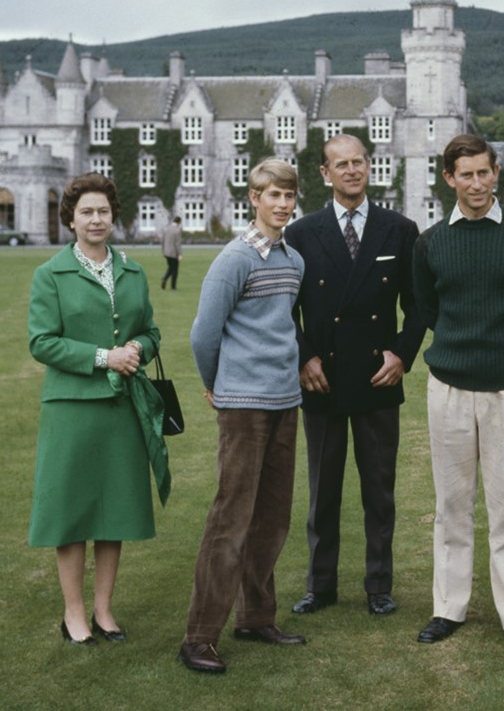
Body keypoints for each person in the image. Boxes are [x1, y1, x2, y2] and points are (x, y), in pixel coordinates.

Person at [412, 133, 504, 651]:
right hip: (448, 385)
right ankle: (448, 607)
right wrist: (463, 348)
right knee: (451, 504)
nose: (476, 183)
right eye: (465, 174)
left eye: (484, 172)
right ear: (448, 178)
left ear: (497, 172)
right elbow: (429, 310)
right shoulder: (430, 242)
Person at [283, 135, 426, 618]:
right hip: (321, 379)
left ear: (370, 166)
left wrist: (402, 355)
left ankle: (379, 585)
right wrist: (304, 358)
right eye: (340, 165)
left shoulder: (399, 229)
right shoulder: (302, 233)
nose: (351, 171)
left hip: (377, 378)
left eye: (358, 162)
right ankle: (320, 586)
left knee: (379, 491)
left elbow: (420, 306)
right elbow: (285, 309)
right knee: (322, 491)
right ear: (324, 174)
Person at [27, 172, 170, 646]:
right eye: (86, 212)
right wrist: (102, 357)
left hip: (122, 409)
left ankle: (105, 612)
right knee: (72, 514)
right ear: (71, 218)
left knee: (116, 512)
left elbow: (151, 332)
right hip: (71, 410)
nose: (95, 220)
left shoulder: (132, 271)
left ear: (114, 217)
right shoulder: (50, 274)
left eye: (103, 212)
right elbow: (41, 342)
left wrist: (136, 348)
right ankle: (73, 615)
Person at [178, 159, 306, 674]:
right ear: (253, 198)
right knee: (230, 518)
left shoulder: (293, 260)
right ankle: (199, 636)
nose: (281, 204)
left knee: (272, 518)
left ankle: (255, 617)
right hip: (243, 406)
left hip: (285, 400)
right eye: (272, 194)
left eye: (289, 196)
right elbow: (202, 334)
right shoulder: (234, 259)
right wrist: (215, 385)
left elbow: (284, 328)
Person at [160, 216, 183, 290]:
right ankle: (167, 280)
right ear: (179, 222)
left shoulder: (166, 229)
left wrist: (163, 251)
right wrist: (179, 254)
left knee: (171, 267)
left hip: (166, 252)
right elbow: (177, 243)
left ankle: (171, 285)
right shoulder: (177, 230)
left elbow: (163, 241)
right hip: (174, 253)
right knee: (174, 269)